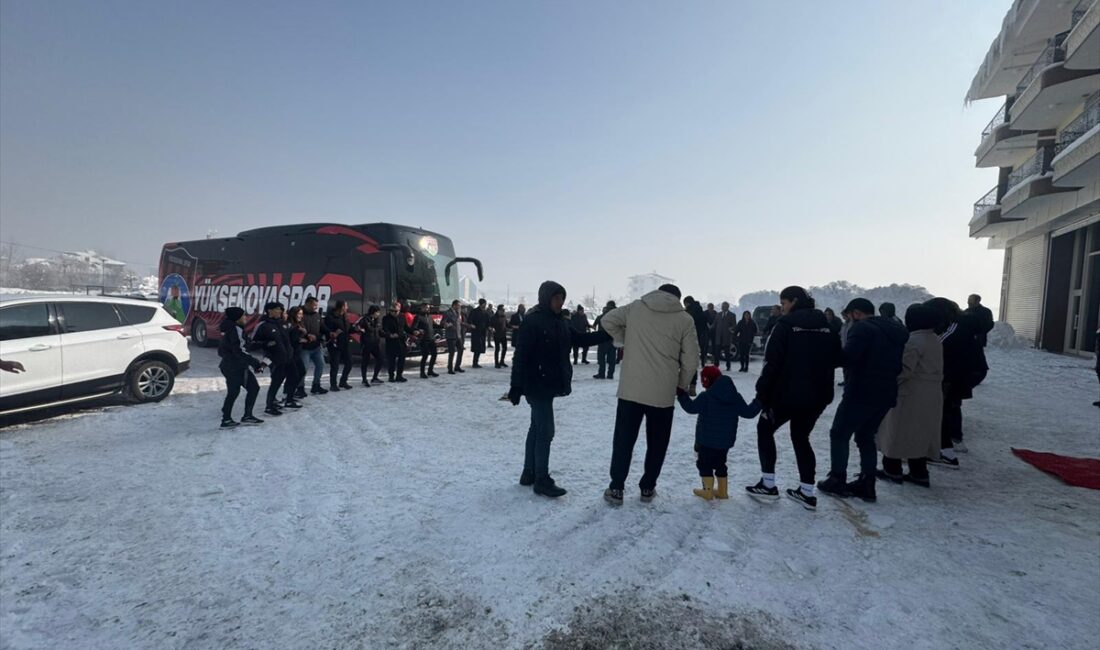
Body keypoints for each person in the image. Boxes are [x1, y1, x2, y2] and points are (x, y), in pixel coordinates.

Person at [508, 281, 611, 498]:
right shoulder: (533, 321)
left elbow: (580, 339)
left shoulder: (561, 321)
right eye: (556, 298)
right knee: (546, 430)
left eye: (562, 298)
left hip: (549, 382)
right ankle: (541, 479)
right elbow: (521, 355)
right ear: (546, 298)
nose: (560, 302)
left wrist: (606, 334)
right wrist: (515, 386)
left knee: (536, 428)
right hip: (536, 383)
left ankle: (529, 472)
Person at [600, 284, 699, 506]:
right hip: (663, 393)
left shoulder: (635, 308)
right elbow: (692, 359)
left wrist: (624, 339)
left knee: (624, 441)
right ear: (677, 298)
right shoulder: (684, 319)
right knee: (657, 443)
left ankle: (616, 488)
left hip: (631, 389)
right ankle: (647, 487)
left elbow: (607, 321)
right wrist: (681, 384)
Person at [748, 287, 842, 511]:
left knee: (764, 429)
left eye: (784, 302)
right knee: (801, 437)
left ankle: (768, 483)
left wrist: (762, 392)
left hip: (785, 394)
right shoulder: (828, 328)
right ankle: (807, 491)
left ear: (794, 302)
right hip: (817, 396)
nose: (782, 307)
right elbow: (838, 359)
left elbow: (772, 362)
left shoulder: (785, 326)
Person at [817, 298, 908, 503]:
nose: (847, 321)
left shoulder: (862, 329)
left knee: (839, 433)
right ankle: (868, 483)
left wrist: (828, 351)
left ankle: (837, 479)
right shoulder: (895, 330)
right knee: (866, 436)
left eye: (848, 316)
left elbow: (848, 358)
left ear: (856, 313)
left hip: (861, 391)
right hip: (886, 392)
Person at [876, 304, 943, 488]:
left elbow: (904, 370)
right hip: (931, 394)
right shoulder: (934, 339)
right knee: (920, 434)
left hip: (910, 393)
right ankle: (919, 472)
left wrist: (885, 382)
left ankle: (892, 469)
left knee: (897, 432)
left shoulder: (913, 341)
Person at [677, 366, 760, 500]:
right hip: (725, 442)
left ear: (706, 381)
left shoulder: (706, 396)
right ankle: (722, 491)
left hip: (706, 440)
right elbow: (749, 413)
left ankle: (708, 491)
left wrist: (682, 395)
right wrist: (759, 401)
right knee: (721, 463)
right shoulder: (735, 397)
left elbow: (691, 408)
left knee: (704, 464)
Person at [925, 297, 984, 466]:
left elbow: (938, 345)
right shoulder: (961, 324)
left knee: (941, 408)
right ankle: (954, 441)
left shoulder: (955, 327)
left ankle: (945, 451)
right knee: (950, 405)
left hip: (961, 372)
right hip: (966, 371)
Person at [217, 307, 264, 428]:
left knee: (236, 391)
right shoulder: (235, 329)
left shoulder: (228, 327)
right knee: (250, 388)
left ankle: (228, 416)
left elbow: (238, 345)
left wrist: (259, 344)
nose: (246, 318)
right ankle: (230, 418)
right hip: (235, 366)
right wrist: (255, 362)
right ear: (237, 318)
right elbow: (239, 350)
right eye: (243, 316)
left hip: (231, 364)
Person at [249, 301, 293, 417]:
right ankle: (269, 406)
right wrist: (266, 343)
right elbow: (252, 343)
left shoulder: (282, 323)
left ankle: (275, 400)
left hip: (287, 357)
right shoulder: (263, 325)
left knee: (290, 378)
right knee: (275, 382)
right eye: (278, 309)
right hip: (274, 358)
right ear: (269, 311)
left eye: (281, 309)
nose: (280, 311)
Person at [300, 296, 329, 395]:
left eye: (317, 305)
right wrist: (307, 336)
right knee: (304, 368)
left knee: (321, 365)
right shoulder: (300, 314)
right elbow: (298, 328)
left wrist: (330, 333)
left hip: (316, 347)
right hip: (304, 348)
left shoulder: (317, 315)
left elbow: (323, 328)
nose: (316, 307)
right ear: (307, 304)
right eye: (314, 305)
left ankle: (316, 385)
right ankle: (300, 387)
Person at [324, 300, 355, 391]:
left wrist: (355, 329)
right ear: (341, 307)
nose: (347, 308)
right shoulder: (330, 317)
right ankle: (333, 384)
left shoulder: (345, 316)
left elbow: (348, 329)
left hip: (345, 343)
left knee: (349, 363)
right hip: (335, 344)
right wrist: (333, 333)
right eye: (346, 306)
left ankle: (343, 381)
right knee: (335, 365)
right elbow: (326, 330)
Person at [283, 307, 308, 407]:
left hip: (297, 353)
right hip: (291, 354)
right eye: (299, 314)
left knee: (301, 372)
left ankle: (290, 394)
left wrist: (305, 334)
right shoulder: (289, 324)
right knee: (294, 375)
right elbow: (290, 339)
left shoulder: (299, 324)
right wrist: (300, 339)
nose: (301, 316)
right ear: (293, 314)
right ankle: (289, 398)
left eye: (302, 314)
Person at [354, 305, 386, 385]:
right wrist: (360, 330)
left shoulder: (377, 320)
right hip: (366, 344)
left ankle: (375, 377)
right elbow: (356, 325)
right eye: (377, 312)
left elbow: (380, 331)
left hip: (375, 344)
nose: (378, 314)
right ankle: (364, 380)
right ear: (373, 312)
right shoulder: (364, 319)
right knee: (365, 362)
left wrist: (388, 335)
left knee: (380, 359)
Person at [382, 301, 409, 383]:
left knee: (402, 359)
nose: (393, 312)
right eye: (391, 310)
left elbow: (406, 328)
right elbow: (384, 330)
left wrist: (414, 332)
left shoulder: (402, 317)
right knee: (391, 360)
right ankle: (391, 376)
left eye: (395, 311)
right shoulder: (386, 318)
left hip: (401, 341)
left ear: (399, 310)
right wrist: (390, 335)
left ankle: (399, 375)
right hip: (391, 342)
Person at [593, 301, 618, 380]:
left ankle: (601, 374)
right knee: (612, 358)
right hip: (613, 339)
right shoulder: (617, 316)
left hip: (602, 339)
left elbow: (594, 325)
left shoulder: (602, 316)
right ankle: (610, 374)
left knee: (601, 357)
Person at [413, 303, 440, 378]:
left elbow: (435, 326)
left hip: (431, 339)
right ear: (422, 308)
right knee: (425, 356)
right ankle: (422, 373)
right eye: (426, 308)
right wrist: (418, 330)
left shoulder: (430, 317)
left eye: (428, 308)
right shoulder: (418, 317)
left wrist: (443, 325)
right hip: (423, 339)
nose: (428, 309)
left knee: (434, 354)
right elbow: (413, 327)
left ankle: (430, 371)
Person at [684, 296, 709, 369]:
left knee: (691, 348)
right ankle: (703, 363)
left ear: (687, 303)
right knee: (703, 348)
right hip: (703, 332)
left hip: (693, 332)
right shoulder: (700, 310)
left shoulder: (689, 311)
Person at [442, 300, 466, 374]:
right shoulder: (447, 313)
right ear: (454, 305)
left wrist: (467, 325)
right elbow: (442, 322)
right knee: (452, 353)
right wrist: (447, 324)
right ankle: (450, 368)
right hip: (451, 336)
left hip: (458, 335)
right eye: (458, 305)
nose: (459, 307)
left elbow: (459, 322)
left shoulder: (459, 313)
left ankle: (457, 366)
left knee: (461, 350)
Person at [712, 302, 737, 371]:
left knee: (727, 353)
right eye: (722, 306)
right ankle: (716, 366)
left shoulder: (732, 315)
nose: (723, 307)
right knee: (717, 353)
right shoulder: (718, 314)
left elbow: (735, 325)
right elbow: (714, 324)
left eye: (725, 306)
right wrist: (710, 328)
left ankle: (728, 366)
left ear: (728, 307)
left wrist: (731, 328)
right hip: (718, 337)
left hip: (726, 337)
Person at [468, 298, 490, 368]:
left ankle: (476, 362)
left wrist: (489, 327)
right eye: (484, 304)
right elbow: (469, 320)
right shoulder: (474, 311)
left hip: (483, 332)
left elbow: (488, 321)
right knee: (477, 348)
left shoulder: (485, 312)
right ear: (481, 304)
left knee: (480, 348)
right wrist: (471, 324)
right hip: (476, 332)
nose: (485, 305)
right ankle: (475, 363)